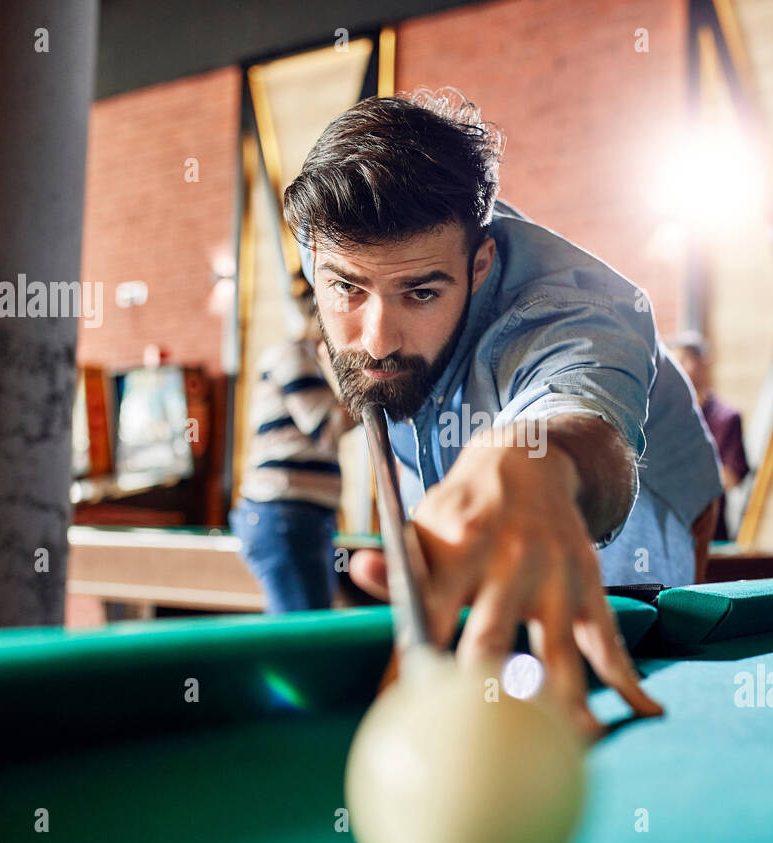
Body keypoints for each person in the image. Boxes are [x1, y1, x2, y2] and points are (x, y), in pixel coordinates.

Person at [282, 89, 722, 733]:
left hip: (639, 516)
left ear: (480, 265)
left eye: (421, 292)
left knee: (579, 695)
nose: (377, 338)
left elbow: (581, 406)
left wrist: (532, 459)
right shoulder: (326, 233)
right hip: (447, 454)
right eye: (347, 287)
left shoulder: (578, 310)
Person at [230, 281, 354, 613]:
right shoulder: (293, 354)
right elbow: (325, 429)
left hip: (292, 515)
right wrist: (376, 395)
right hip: (284, 515)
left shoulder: (304, 357)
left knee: (306, 628)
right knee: (304, 636)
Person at [668, 332, 748, 545]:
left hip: (712, 535)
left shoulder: (726, 418)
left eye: (684, 361)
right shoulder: (666, 417)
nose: (678, 370)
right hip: (671, 532)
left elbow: (731, 478)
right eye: (673, 363)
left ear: (704, 363)